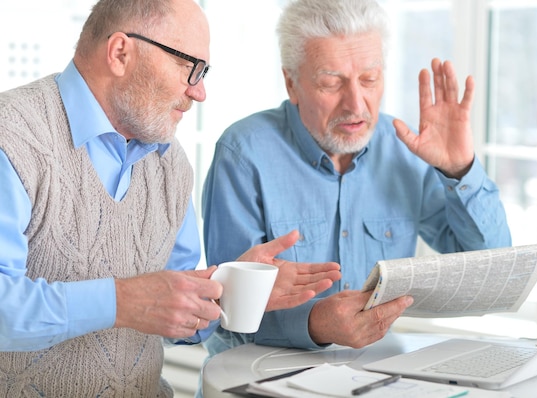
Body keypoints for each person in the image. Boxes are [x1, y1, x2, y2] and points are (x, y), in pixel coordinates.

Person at [0, 0, 341, 396]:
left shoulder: (170, 163)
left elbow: (177, 319)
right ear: (120, 53)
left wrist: (231, 288)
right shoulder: (12, 137)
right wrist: (123, 300)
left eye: (203, 72)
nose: (199, 92)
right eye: (187, 66)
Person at [200, 0, 511, 361]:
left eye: (369, 79)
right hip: (254, 377)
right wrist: (315, 322)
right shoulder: (243, 154)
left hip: (368, 377)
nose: (356, 104)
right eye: (332, 83)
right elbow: (226, 314)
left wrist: (460, 170)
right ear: (292, 83)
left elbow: (492, 271)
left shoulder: (406, 151)